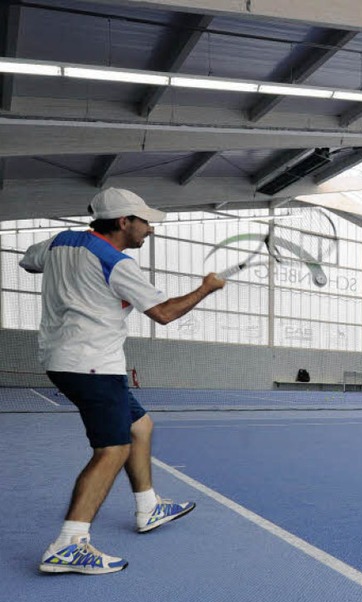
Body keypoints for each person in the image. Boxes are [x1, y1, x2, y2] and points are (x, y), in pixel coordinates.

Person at [19, 187, 226, 575]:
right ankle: (69, 544)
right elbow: (163, 313)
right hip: (93, 365)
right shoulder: (118, 263)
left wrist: (69, 280)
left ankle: (148, 506)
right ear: (123, 222)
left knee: (140, 426)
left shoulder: (60, 242)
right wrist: (205, 289)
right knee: (112, 450)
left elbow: (28, 263)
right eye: (145, 222)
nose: (150, 230)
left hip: (64, 359)